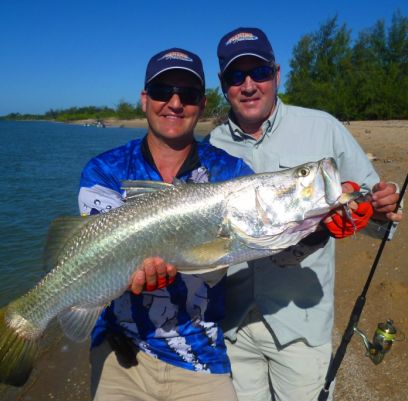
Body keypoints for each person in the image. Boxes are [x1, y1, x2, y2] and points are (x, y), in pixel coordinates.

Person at [206, 27, 403, 401]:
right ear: (223, 84)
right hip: (233, 327)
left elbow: (374, 209)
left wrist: (381, 210)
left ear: (276, 75)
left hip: (300, 327)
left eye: (259, 73)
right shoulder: (211, 146)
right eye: (236, 76)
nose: (248, 85)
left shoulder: (323, 128)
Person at [77, 48, 254, 401]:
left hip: (201, 358)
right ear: (144, 100)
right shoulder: (104, 171)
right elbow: (94, 259)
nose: (174, 103)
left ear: (202, 105)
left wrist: (322, 226)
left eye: (187, 95)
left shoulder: (232, 175)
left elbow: (271, 238)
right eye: (162, 92)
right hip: (121, 354)